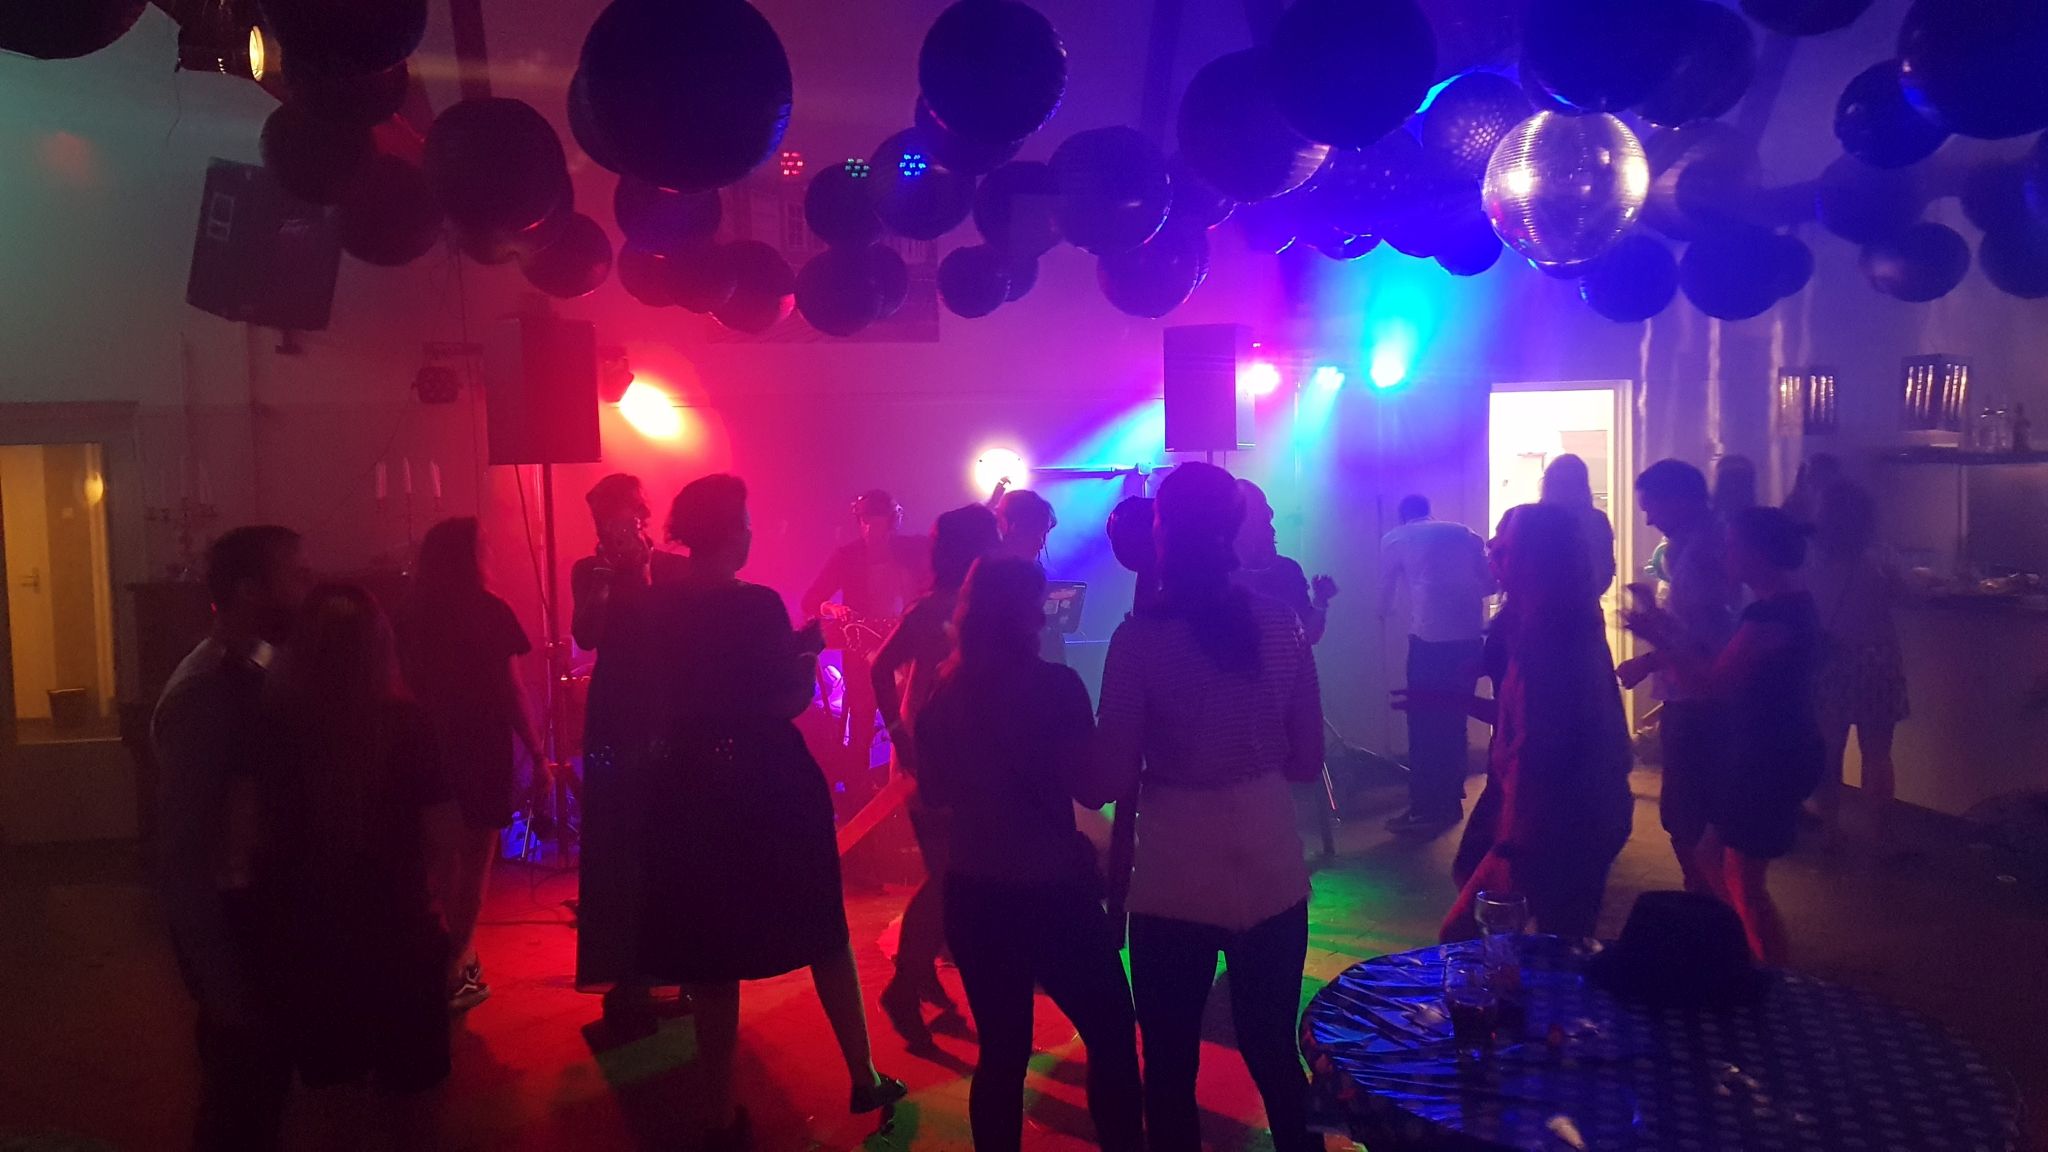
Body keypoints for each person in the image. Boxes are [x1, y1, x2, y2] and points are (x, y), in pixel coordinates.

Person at [608, 475, 904, 1147]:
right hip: (764, 778)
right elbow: (784, 699)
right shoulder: (756, 603)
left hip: (686, 781)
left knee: (714, 954)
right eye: (743, 521)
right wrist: (805, 654)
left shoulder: (658, 604)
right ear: (728, 532)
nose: (750, 531)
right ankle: (863, 1075)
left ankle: (717, 1116)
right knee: (822, 923)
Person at [1087, 462, 1324, 1152]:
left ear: (1161, 532)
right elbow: (1306, 762)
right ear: (1233, 528)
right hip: (1271, 862)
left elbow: (1106, 776)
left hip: (1174, 874)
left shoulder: (1138, 640)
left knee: (1168, 1067)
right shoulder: (1283, 624)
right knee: (1274, 1052)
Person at [915, 556, 1145, 1152]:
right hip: (1049, 891)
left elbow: (933, 792)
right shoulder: (1054, 688)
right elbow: (1093, 788)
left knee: (1002, 1054)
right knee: (1111, 1030)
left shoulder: (945, 691)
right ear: (1026, 612)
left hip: (973, 893)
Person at [256, 583, 461, 1144]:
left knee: (330, 1101)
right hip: (400, 933)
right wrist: (445, 927)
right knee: (413, 1108)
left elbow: (256, 836)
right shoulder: (408, 724)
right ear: (380, 645)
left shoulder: (278, 727)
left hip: (313, 937)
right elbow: (445, 839)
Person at [155, 525, 310, 1152]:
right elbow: (185, 852)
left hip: (255, 921)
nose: (306, 586)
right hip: (235, 927)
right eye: (294, 575)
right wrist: (218, 977)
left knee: (258, 1096)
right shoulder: (206, 692)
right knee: (238, 1106)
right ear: (250, 589)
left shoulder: (252, 667)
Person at [1627, 507, 1824, 965]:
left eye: (1732, 545)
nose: (1724, 555)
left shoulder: (1769, 616)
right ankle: (1746, 955)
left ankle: (1771, 975)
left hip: (1768, 751)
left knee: (1742, 879)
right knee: (1713, 857)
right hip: (1774, 743)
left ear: (1758, 552)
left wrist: (1661, 638)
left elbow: (1710, 684)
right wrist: (1662, 630)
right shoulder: (1790, 606)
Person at [1436, 504, 1633, 941]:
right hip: (1566, 804)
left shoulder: (1552, 637)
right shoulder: (1542, 621)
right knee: (1546, 931)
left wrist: (1512, 845)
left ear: (1536, 561)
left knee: (1471, 935)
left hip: (1561, 812)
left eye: (1505, 548)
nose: (1491, 548)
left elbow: (1541, 746)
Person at [868, 503, 1002, 1047]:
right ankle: (904, 986)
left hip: (950, 756)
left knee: (948, 875)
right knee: (951, 876)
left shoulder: (969, 606)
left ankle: (918, 975)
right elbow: (879, 667)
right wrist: (898, 736)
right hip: (932, 759)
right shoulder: (936, 610)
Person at [393, 516, 539, 1011]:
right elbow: (511, 691)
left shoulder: (409, 612)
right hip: (481, 742)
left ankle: (427, 960)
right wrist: (537, 752)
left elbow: (400, 682)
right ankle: (457, 965)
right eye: (484, 546)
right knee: (476, 861)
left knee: (434, 860)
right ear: (471, 556)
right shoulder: (491, 609)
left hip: (426, 741)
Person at [572, 474, 681, 1020]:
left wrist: (644, 570)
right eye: (601, 520)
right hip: (616, 712)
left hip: (665, 709)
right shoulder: (588, 570)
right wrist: (606, 578)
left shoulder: (672, 569)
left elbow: (683, 635)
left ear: (641, 517)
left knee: (670, 834)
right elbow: (585, 635)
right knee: (615, 837)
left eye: (619, 517)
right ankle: (624, 973)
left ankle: (680, 967)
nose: (609, 528)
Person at [1619, 460, 1742, 894]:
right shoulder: (1698, 546)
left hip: (1699, 698)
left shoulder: (1701, 553)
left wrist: (1652, 645)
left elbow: (1706, 640)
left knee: (1688, 811)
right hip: (1697, 694)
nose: (1648, 520)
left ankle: (1709, 905)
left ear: (1680, 500)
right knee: (1693, 809)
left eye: (1652, 508)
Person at [1378, 494, 1495, 834]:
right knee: (1455, 716)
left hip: (1429, 639)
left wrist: (1382, 615)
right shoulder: (1466, 534)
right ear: (1430, 512)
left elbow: (1385, 590)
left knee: (1424, 724)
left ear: (1403, 516)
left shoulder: (1396, 537)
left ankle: (1425, 807)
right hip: (1469, 639)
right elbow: (1490, 584)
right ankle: (1451, 798)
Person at [1806, 479, 1909, 847]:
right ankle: (1882, 836)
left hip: (1830, 659)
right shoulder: (1880, 557)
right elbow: (1907, 593)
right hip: (1877, 660)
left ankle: (1830, 831)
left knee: (1829, 752)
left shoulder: (1811, 557)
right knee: (1877, 754)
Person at [803, 490, 930, 765]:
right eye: (864, 522)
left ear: (892, 521)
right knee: (861, 724)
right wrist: (831, 608)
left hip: (906, 646)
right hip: (863, 650)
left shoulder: (911, 550)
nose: (869, 529)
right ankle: (859, 784)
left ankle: (906, 779)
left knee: (910, 721)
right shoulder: (847, 557)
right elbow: (810, 601)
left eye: (876, 522)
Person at [1235, 478, 1339, 644]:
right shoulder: (1218, 576)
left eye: (1267, 521)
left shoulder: (1287, 570)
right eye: (1262, 521)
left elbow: (1309, 636)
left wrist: (1321, 601)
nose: (1271, 530)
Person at [996, 488, 1065, 664]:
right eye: (1036, 533)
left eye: (1044, 534)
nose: (1041, 543)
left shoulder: (1036, 571)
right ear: (1012, 527)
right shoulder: (991, 580)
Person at [1539, 453, 1618, 600]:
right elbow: (1605, 571)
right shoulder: (1597, 521)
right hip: (1585, 605)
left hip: (1540, 606)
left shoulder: (1534, 521)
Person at [1781, 452, 1843, 528]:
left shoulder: (1841, 505)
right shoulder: (1794, 504)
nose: (1809, 478)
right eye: (1809, 473)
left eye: (1815, 472)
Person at [1713, 454, 1759, 520]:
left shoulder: (1707, 520)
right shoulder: (1762, 520)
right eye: (1727, 478)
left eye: (1740, 479)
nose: (1733, 485)